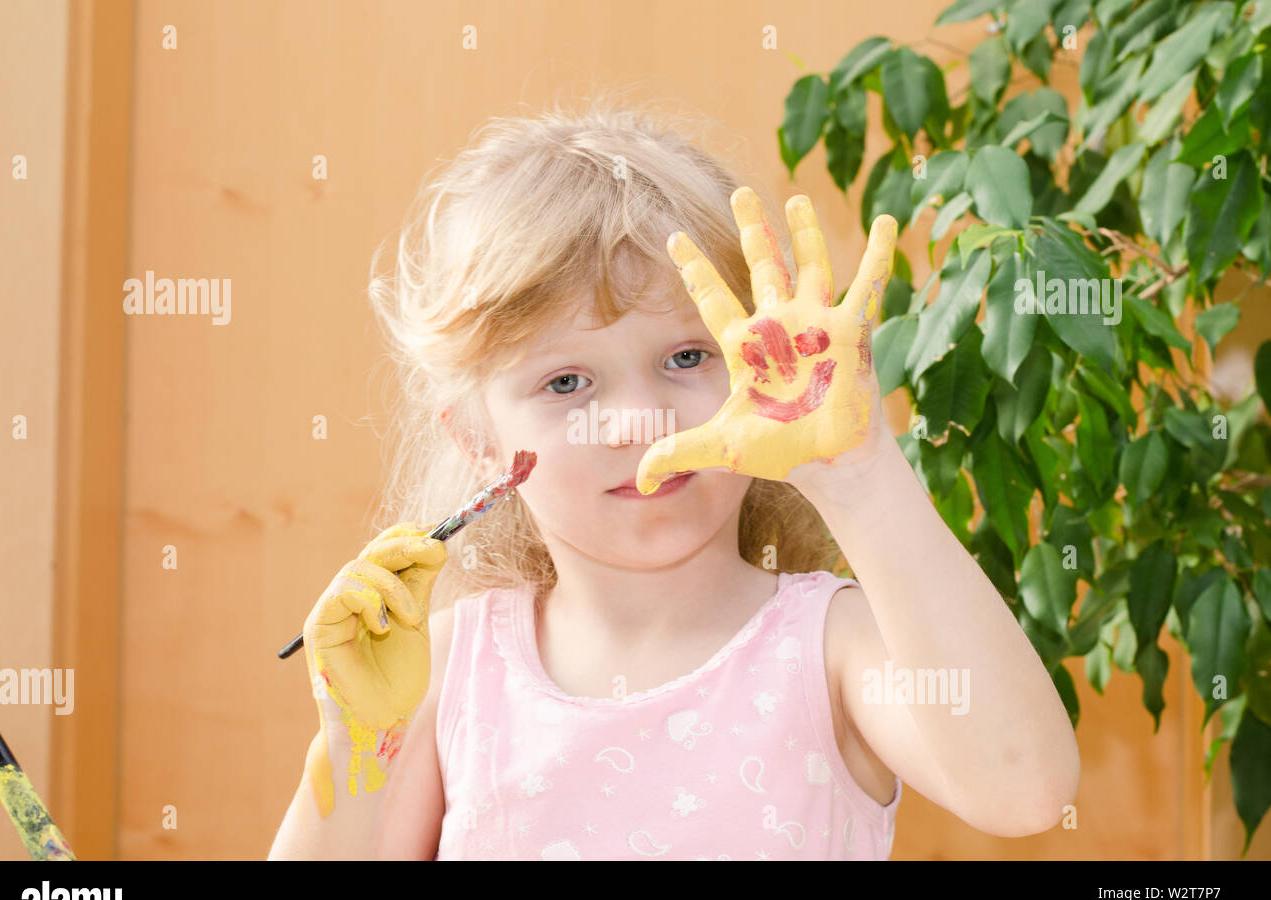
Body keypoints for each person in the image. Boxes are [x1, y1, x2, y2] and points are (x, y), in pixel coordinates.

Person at [268, 93, 1079, 861]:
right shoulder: (448, 670)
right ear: (480, 440)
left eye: (687, 357)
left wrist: (858, 473)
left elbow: (1025, 788)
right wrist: (355, 745)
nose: (638, 420)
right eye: (566, 383)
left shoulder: (830, 645)